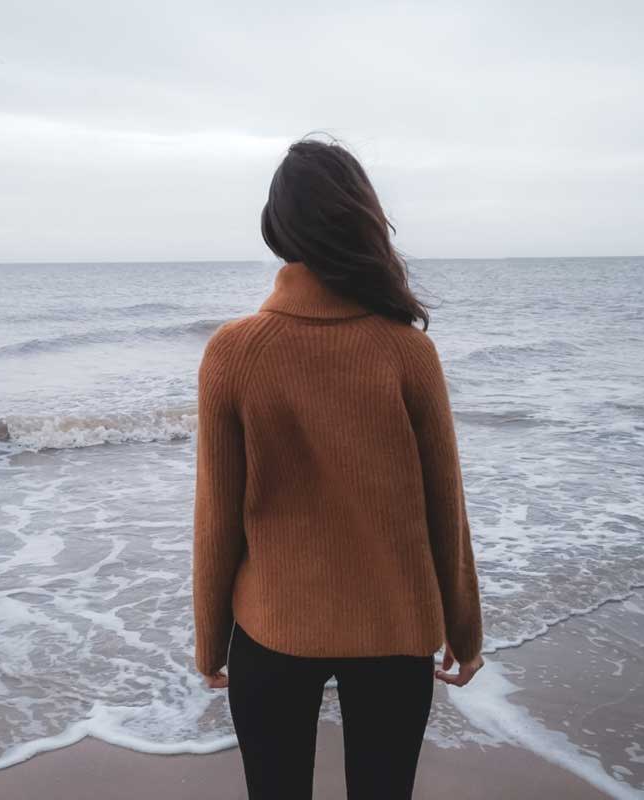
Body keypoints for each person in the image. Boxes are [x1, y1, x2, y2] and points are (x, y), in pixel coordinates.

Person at [192, 136, 485, 800]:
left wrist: (211, 640)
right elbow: (447, 506)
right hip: (394, 632)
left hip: (271, 631)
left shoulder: (232, 353)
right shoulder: (406, 352)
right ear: (362, 222)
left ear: (276, 227)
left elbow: (218, 516)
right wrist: (464, 629)